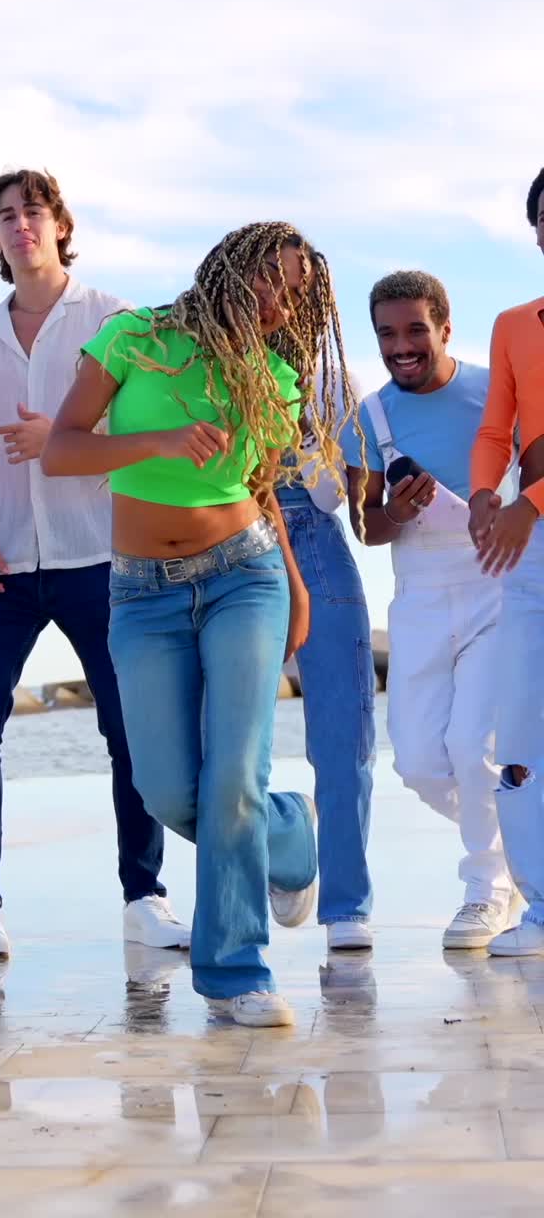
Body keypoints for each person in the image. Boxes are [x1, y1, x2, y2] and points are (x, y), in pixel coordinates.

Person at [42, 221, 332, 1028]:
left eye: (297, 292)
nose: (283, 302)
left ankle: (237, 973)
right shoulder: (133, 338)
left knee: (230, 776)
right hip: (142, 595)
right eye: (272, 280)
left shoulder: (275, 377)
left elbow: (262, 489)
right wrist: (159, 439)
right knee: (169, 789)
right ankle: (290, 830)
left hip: (245, 575)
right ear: (232, 271)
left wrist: (297, 585)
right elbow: (60, 451)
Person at [0, 169, 189, 960]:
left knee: (130, 733)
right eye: (6, 217)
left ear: (59, 225)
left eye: (34, 212)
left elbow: (140, 431)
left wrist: (65, 439)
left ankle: (143, 896)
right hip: (1, 565)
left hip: (101, 559)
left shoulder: (115, 318)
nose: (21, 226)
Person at [342, 270, 516, 950]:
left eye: (416, 329)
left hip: (497, 585)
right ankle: (515, 838)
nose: (402, 346)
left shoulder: (492, 393)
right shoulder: (372, 417)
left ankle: (486, 888)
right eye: (387, 333)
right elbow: (367, 527)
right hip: (417, 596)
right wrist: (398, 509)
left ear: (445, 327)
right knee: (417, 761)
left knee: (474, 746)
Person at [469, 166, 544, 956]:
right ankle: (542, 908)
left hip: (535, 519)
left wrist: (531, 502)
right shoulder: (514, 323)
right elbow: (498, 427)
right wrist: (488, 492)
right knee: (521, 721)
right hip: (531, 548)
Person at [276, 361, 376, 952]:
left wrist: (301, 417)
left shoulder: (333, 379)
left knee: (343, 741)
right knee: (212, 748)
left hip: (315, 542)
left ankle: (346, 906)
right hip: (231, 547)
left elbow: (337, 492)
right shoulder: (209, 365)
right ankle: (284, 830)